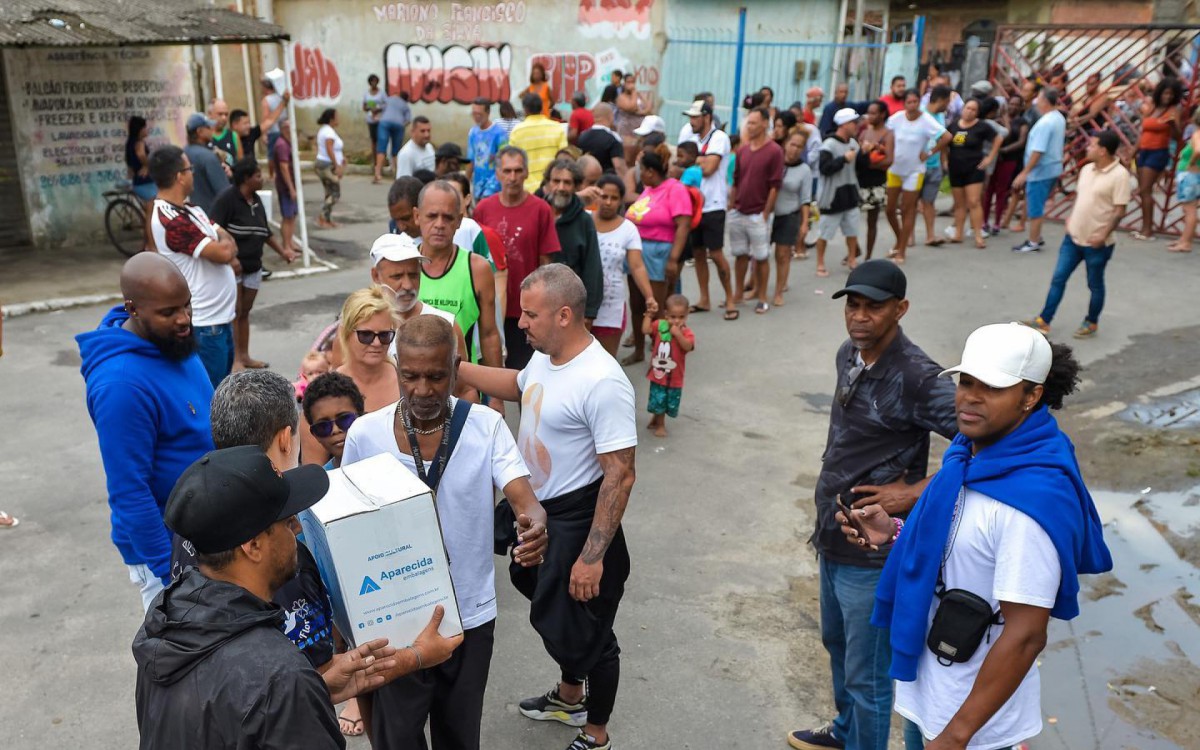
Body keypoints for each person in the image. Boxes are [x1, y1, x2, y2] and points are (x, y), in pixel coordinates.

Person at [858, 324, 1111, 750]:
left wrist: (957, 735)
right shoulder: (968, 456)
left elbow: (1027, 634)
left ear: (1031, 395)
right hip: (929, 691)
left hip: (975, 727)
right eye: (966, 381)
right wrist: (895, 533)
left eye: (991, 387)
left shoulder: (1027, 504)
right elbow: (963, 553)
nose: (969, 397)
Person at [138, 445, 459, 749]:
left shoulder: (166, 621)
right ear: (253, 546)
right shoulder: (280, 677)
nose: (297, 528)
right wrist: (300, 691)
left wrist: (316, 688)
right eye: (285, 520)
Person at [341, 315, 549, 750]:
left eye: (436, 376)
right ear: (397, 369)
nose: (422, 389)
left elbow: (522, 497)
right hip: (395, 621)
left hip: (469, 617)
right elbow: (350, 527)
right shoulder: (365, 435)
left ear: (456, 368)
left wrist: (532, 522)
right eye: (411, 376)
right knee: (398, 739)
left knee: (459, 736)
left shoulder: (485, 427)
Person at [457, 264, 638, 750]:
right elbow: (521, 386)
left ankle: (596, 732)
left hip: (579, 521)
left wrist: (592, 556)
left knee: (592, 629)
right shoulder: (547, 357)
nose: (519, 322)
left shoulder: (602, 380)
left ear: (563, 315)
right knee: (559, 615)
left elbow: (620, 473)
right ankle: (568, 695)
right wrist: (451, 370)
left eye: (529, 314)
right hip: (540, 512)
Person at [787, 259, 957, 750]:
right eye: (853, 305)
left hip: (875, 551)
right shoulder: (850, 353)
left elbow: (982, 446)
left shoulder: (918, 376)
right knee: (837, 646)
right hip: (835, 535)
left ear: (900, 309)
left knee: (871, 678)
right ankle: (845, 733)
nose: (859, 317)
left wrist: (913, 491)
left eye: (874, 307)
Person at [77, 253, 215, 610]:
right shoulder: (121, 385)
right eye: (169, 312)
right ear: (133, 309)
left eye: (187, 306)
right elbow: (129, 491)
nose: (184, 320)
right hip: (169, 553)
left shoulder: (173, 340)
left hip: (207, 533)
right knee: (180, 659)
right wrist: (172, 576)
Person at [1024, 131, 1131, 339]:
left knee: (1095, 284)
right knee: (1058, 278)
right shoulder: (1087, 169)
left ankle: (1091, 321)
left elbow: (1119, 211)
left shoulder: (1120, 175)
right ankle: (1044, 320)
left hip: (1098, 243)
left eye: (1092, 145)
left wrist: (1103, 235)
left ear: (1103, 151)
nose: (1087, 148)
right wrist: (1071, 219)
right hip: (1073, 238)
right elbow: (1082, 199)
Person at [148, 145, 239, 387]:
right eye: (190, 169)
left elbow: (227, 238)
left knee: (221, 389)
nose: (193, 174)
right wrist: (226, 247)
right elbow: (222, 251)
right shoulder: (172, 220)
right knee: (212, 396)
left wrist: (226, 246)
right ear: (179, 176)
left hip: (219, 320)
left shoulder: (191, 210)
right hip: (206, 324)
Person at [473, 146, 562, 369]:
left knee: (526, 376)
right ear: (498, 173)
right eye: (507, 171)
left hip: (526, 310)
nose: (512, 177)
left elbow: (546, 262)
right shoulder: (483, 209)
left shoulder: (541, 209)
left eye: (517, 170)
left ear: (526, 173)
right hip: (488, 308)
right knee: (490, 376)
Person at [209, 158, 298, 371]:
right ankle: (235, 360)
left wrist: (283, 251)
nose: (263, 179)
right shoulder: (227, 199)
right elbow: (212, 229)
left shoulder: (256, 200)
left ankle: (245, 356)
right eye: (258, 176)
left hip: (253, 266)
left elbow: (264, 231)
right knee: (235, 311)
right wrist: (230, 258)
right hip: (232, 267)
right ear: (246, 179)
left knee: (245, 312)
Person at [415, 181, 504, 372]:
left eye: (448, 217)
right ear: (417, 216)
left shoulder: (477, 269)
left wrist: (497, 398)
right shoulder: (403, 266)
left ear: (459, 221)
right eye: (432, 216)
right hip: (409, 389)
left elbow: (489, 335)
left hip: (463, 388)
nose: (439, 224)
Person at [624, 146, 690, 359]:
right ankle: (639, 351)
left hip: (658, 252)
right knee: (636, 303)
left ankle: (662, 350)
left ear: (651, 171)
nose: (639, 175)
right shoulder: (648, 190)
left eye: (641, 170)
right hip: (636, 251)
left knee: (656, 305)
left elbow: (683, 224)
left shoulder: (675, 189)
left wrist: (673, 259)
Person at [681, 99, 736, 318]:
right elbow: (684, 163)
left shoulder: (719, 137)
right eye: (690, 117)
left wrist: (691, 162)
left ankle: (730, 300)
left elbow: (710, 168)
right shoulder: (691, 136)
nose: (691, 121)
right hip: (694, 206)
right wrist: (698, 161)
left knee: (716, 253)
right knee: (698, 253)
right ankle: (704, 299)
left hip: (713, 205)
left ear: (707, 117)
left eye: (695, 116)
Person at [591, 174, 655, 356]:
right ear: (596, 195)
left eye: (614, 198)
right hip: (581, 304)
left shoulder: (628, 229)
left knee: (606, 361)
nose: (608, 202)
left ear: (621, 201)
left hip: (611, 306)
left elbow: (637, 266)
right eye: (604, 196)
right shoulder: (583, 220)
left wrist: (649, 296)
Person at [729, 108, 784, 314]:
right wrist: (732, 205)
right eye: (748, 123)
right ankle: (737, 294)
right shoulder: (742, 150)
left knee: (761, 257)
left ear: (764, 124)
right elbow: (736, 181)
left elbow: (775, 185)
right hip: (739, 211)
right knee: (740, 254)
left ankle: (762, 297)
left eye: (753, 123)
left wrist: (765, 213)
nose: (749, 126)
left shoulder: (774, 151)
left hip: (758, 214)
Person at [886, 90, 950, 263]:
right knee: (890, 209)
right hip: (895, 169)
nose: (912, 106)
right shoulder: (897, 118)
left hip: (915, 171)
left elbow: (947, 137)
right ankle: (899, 240)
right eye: (909, 102)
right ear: (904, 103)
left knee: (908, 209)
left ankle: (902, 250)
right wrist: (888, 154)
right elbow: (889, 135)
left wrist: (930, 152)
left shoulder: (926, 120)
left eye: (915, 102)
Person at [543, 159, 604, 321]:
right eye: (556, 181)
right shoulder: (537, 213)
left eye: (567, 182)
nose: (561, 187)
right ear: (548, 184)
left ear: (576, 186)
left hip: (569, 306)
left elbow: (593, 267)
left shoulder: (584, 221)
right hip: (537, 301)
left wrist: (589, 312)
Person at [1012, 88, 1067, 253]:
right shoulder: (1058, 118)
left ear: (1044, 102)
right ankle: (1036, 236)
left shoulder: (1045, 123)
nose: (1036, 102)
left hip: (1040, 171)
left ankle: (1033, 241)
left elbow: (1038, 150)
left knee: (1035, 207)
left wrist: (1025, 172)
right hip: (1052, 168)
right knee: (1038, 203)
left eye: (1039, 99)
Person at [947, 98, 1006, 249]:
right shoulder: (953, 126)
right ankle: (958, 233)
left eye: (973, 109)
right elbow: (944, 141)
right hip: (955, 168)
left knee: (973, 201)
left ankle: (978, 235)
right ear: (963, 109)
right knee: (959, 204)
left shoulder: (982, 126)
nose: (969, 111)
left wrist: (990, 157)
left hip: (974, 168)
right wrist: (944, 160)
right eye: (968, 108)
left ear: (978, 112)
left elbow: (998, 138)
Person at [814, 109, 864, 278]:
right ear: (844, 124)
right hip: (832, 196)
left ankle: (851, 259)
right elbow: (824, 168)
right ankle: (820, 262)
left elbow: (861, 165)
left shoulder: (854, 143)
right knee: (825, 232)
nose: (856, 126)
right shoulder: (829, 145)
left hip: (850, 193)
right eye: (853, 123)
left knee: (852, 230)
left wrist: (866, 152)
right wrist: (843, 159)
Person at [1133, 77, 1183, 240]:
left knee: (1145, 190)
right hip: (1144, 151)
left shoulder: (1174, 111)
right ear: (1160, 92)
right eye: (1166, 93)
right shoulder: (1152, 107)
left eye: (1171, 94)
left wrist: (1172, 125)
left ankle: (1148, 230)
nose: (1168, 96)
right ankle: (1145, 228)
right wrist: (1134, 152)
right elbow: (1143, 132)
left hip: (1158, 152)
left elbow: (1178, 137)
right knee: (1143, 192)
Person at [642, 293, 695, 438]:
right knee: (658, 398)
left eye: (681, 317)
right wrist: (649, 315)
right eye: (673, 316)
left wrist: (678, 335)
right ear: (666, 315)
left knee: (669, 402)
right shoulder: (660, 325)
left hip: (675, 376)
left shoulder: (686, 332)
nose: (677, 321)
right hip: (658, 372)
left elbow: (688, 347)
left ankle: (656, 418)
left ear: (687, 315)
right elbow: (645, 330)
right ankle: (660, 424)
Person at [773, 129, 813, 304]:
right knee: (758, 255)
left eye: (800, 146)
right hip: (768, 214)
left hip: (789, 215)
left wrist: (804, 224)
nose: (795, 149)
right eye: (792, 144)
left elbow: (805, 199)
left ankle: (779, 290)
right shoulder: (774, 162)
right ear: (785, 144)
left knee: (783, 254)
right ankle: (755, 287)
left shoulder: (805, 170)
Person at [984, 95, 1028, 236]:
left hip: (1009, 159)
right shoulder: (997, 120)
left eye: (1016, 104)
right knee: (989, 189)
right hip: (994, 159)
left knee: (1001, 190)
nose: (1013, 107)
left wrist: (1004, 150)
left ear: (1021, 107)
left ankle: (997, 222)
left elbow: (1021, 142)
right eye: (1011, 103)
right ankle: (984, 221)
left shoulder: (1022, 122)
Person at [302, 371, 364, 470]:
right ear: (315, 435)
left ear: (361, 416)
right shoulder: (324, 482)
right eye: (323, 427)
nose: (335, 430)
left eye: (344, 419)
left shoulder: (389, 461)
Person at [509, 93, 568, 193]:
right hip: (552, 188)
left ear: (525, 109)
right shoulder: (557, 128)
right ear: (541, 108)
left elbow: (512, 161)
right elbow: (564, 159)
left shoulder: (516, 131)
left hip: (527, 190)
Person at [857, 101, 894, 259]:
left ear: (882, 114)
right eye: (869, 113)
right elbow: (858, 155)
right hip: (860, 180)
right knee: (849, 217)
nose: (870, 116)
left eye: (873, 113)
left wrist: (868, 163)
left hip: (876, 182)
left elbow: (889, 161)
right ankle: (855, 249)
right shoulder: (864, 132)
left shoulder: (888, 134)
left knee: (872, 221)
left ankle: (868, 256)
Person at [915, 86, 951, 249]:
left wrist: (944, 161)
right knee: (911, 202)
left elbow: (943, 141)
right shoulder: (920, 114)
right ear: (941, 100)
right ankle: (908, 236)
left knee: (929, 202)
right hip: (917, 165)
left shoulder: (941, 116)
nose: (949, 105)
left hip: (934, 165)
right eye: (948, 101)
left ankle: (930, 235)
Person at [182, 112, 230, 215]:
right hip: (210, 216)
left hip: (190, 214)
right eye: (208, 127)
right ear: (200, 131)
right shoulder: (208, 156)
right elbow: (224, 192)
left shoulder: (183, 152)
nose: (212, 129)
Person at [1169, 108, 1200, 253]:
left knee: (1190, 210)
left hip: (1190, 176)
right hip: (1195, 176)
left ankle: (1186, 242)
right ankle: (1184, 238)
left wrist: (1191, 163)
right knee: (1189, 209)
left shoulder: (1197, 134)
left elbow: (1198, 150)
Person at [468, 98, 508, 200]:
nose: (476, 117)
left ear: (488, 112)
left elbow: (505, 160)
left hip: (494, 185)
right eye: (474, 114)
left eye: (479, 114)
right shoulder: (473, 133)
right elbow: (471, 160)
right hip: (477, 184)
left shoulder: (499, 133)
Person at [314, 108, 345, 229]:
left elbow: (335, 149)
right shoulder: (328, 132)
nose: (339, 118)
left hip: (324, 164)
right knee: (335, 193)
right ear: (332, 118)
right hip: (326, 165)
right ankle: (322, 216)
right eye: (337, 116)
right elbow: (329, 149)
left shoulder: (326, 130)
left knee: (329, 193)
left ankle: (327, 219)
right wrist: (337, 165)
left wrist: (342, 159)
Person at [272, 123, 299, 257]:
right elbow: (284, 167)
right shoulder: (282, 144)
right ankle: (286, 246)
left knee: (293, 215)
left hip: (291, 185)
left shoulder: (287, 143)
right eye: (288, 128)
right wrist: (291, 188)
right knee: (287, 216)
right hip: (286, 187)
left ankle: (290, 242)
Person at [579, 103, 627, 177]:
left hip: (586, 180)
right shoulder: (613, 137)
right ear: (611, 117)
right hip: (607, 181)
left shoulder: (582, 135)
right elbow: (619, 166)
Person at [376, 90, 414, 183]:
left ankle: (377, 174)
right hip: (399, 124)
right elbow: (408, 120)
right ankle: (397, 174)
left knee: (381, 148)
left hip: (384, 123)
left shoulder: (390, 99)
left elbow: (380, 108)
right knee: (396, 150)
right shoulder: (406, 106)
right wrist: (401, 125)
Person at [616, 72, 653, 165]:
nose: (631, 85)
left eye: (633, 82)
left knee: (639, 156)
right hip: (627, 130)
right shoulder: (622, 97)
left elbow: (649, 108)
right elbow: (631, 107)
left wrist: (640, 112)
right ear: (624, 83)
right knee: (628, 158)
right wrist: (633, 93)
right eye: (628, 82)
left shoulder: (638, 95)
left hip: (640, 130)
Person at [260, 77, 290, 169]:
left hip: (272, 131)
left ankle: (272, 174)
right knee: (285, 152)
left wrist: (264, 134)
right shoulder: (281, 98)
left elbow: (265, 117)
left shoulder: (266, 100)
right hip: (284, 129)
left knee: (271, 154)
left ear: (265, 88)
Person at [126, 116, 157, 202]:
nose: (146, 129)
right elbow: (141, 154)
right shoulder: (139, 142)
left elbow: (130, 166)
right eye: (144, 127)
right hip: (144, 182)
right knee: (154, 202)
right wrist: (147, 165)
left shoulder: (130, 142)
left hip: (139, 181)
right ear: (139, 129)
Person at [208, 98, 238, 165]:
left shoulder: (233, 135)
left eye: (226, 114)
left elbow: (240, 165)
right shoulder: (204, 137)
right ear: (210, 114)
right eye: (220, 114)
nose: (224, 118)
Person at [363, 74, 386, 156]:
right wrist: (370, 109)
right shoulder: (366, 94)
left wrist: (378, 109)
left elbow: (386, 104)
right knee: (373, 140)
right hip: (371, 119)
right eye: (372, 81)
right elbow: (364, 107)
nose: (374, 83)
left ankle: (382, 156)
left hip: (380, 119)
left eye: (375, 81)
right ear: (369, 83)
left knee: (381, 139)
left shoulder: (382, 93)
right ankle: (374, 158)